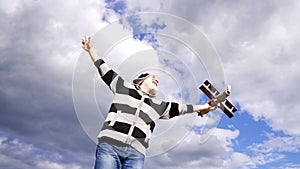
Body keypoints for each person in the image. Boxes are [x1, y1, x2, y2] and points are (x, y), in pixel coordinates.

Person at [81, 36, 217, 169]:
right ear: (139, 81)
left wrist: (204, 107)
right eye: (153, 77)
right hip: (110, 145)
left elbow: (181, 108)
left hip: (136, 154)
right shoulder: (122, 87)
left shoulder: (158, 106)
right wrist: (91, 50)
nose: (156, 80)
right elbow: (104, 69)